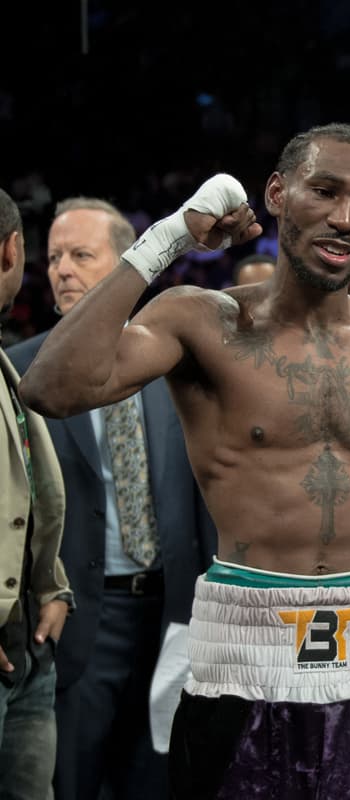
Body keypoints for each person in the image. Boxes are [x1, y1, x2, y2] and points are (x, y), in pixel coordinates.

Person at [17, 123, 350, 797]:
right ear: (277, 193)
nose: (345, 218)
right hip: (239, 667)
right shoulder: (201, 321)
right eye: (325, 191)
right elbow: (50, 388)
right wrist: (167, 239)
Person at [7, 196, 218, 800]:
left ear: (127, 262)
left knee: (155, 778)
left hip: (171, 611)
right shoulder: (25, 369)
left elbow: (202, 491)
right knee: (70, 777)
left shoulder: (171, 359)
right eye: (52, 257)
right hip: (74, 618)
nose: (61, 269)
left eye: (80, 255)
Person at [0, 188, 72, 800]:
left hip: (28, 646)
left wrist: (53, 584)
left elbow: (19, 499)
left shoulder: (5, 365)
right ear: (14, 252)